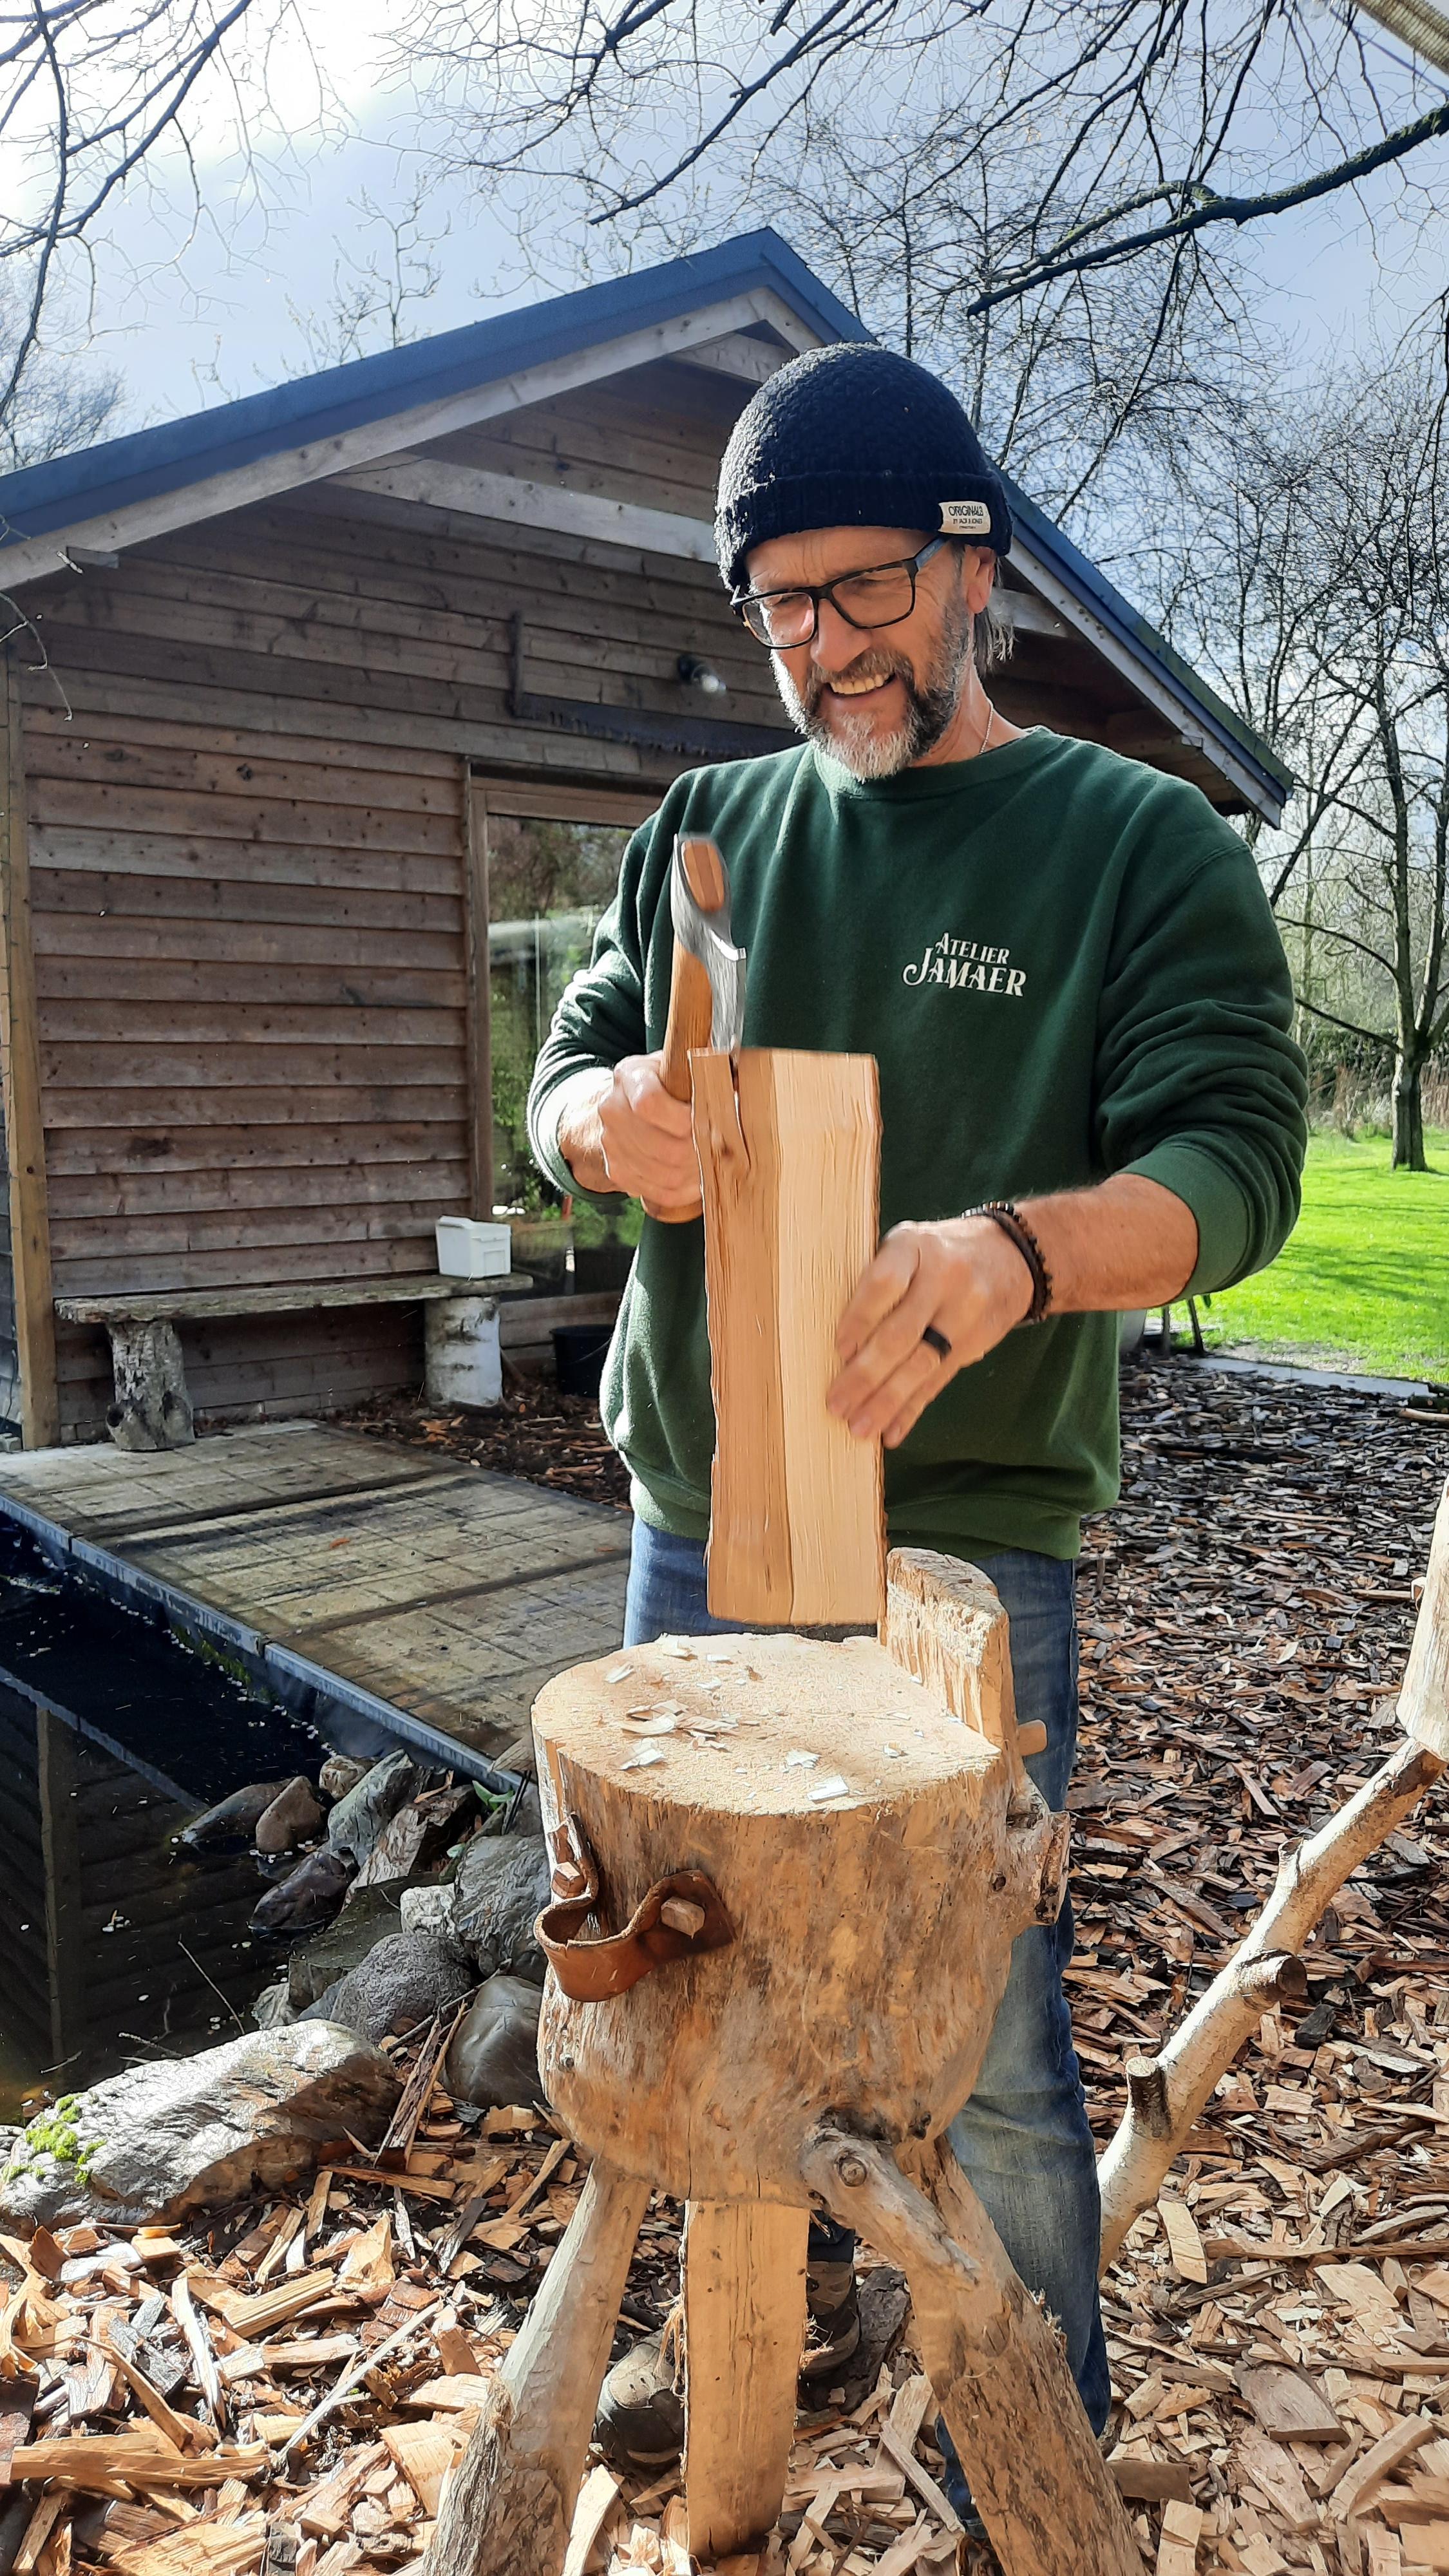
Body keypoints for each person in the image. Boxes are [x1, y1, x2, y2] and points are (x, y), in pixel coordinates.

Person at [526, 340, 1307, 2513]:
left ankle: (1026, 2442)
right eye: (775, 605)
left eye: (860, 587)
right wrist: (600, 1119)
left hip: (961, 1555)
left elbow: (1237, 1163)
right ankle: (758, 2356)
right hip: (701, 1513)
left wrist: (1018, 1256)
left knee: (985, 2049)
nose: (820, 648)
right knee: (710, 2002)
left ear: (976, 567)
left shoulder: (1125, 841)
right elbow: (577, 1044)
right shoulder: (712, 824)